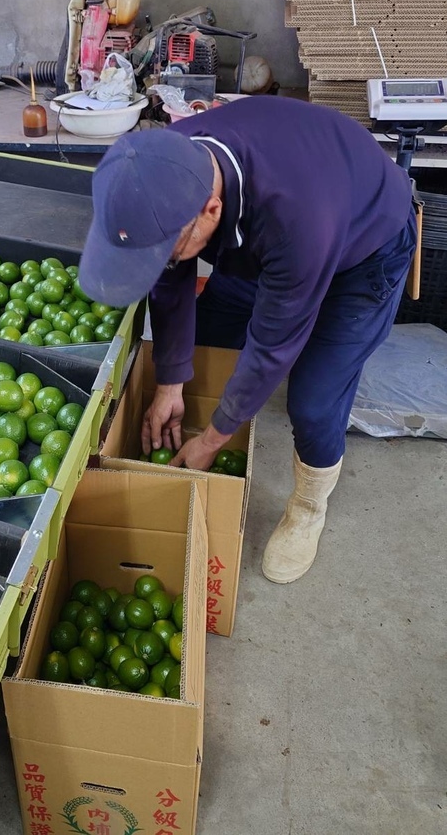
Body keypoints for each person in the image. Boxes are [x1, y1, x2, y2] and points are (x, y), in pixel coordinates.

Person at [78, 96, 416, 583]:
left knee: (315, 399)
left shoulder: (294, 220)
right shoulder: (169, 164)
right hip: (275, 228)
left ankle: (308, 505)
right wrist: (171, 382)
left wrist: (214, 440)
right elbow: (170, 276)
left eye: (166, 250)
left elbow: (272, 346)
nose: (164, 260)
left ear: (212, 210)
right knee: (210, 337)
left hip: (366, 244)